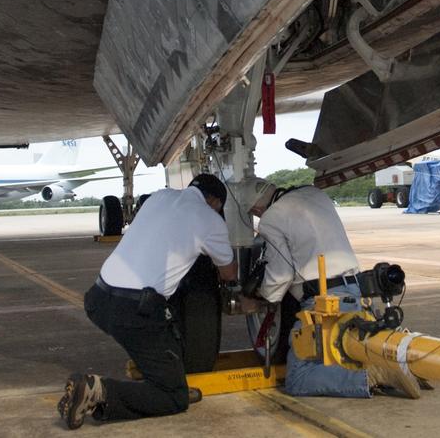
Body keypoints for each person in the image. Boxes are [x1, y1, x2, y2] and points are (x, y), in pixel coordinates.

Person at [58, 173, 237, 429]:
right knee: (172, 396)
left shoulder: (160, 197)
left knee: (165, 360)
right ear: (214, 201)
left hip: (98, 299)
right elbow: (228, 273)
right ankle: (98, 391)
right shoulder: (209, 219)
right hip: (134, 312)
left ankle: (166, 382)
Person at [234, 177, 402, 398]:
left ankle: (367, 379)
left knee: (298, 378)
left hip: (321, 301)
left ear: (256, 208)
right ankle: (400, 367)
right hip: (354, 290)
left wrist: (258, 299)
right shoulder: (316, 194)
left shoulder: (270, 219)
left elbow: (281, 276)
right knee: (352, 347)